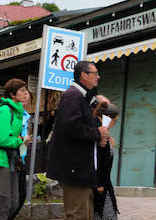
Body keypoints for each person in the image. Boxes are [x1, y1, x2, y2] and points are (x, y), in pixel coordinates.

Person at [46, 61, 108, 220]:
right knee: (77, 215)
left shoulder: (81, 97)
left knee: (85, 214)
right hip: (74, 169)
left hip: (82, 170)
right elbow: (72, 127)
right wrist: (97, 133)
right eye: (95, 73)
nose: (98, 77)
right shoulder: (73, 96)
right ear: (84, 75)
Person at [93, 101, 120, 220]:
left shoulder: (106, 135)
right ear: (109, 118)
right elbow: (98, 160)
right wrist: (100, 184)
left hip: (104, 184)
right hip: (99, 186)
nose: (114, 124)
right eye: (115, 121)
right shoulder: (99, 133)